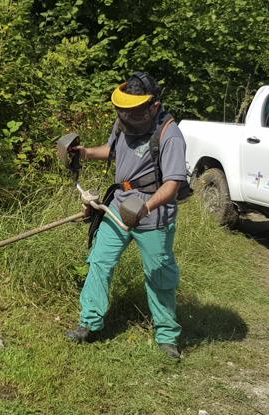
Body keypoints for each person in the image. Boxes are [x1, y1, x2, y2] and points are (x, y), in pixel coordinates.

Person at [66, 72, 187, 359]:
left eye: (133, 112)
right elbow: (110, 151)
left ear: (153, 107)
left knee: (159, 276)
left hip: (152, 214)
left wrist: (145, 208)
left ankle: (167, 337)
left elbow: (172, 185)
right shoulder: (123, 123)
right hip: (118, 206)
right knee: (99, 262)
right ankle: (89, 323)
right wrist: (83, 153)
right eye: (122, 110)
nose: (126, 116)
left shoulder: (170, 134)